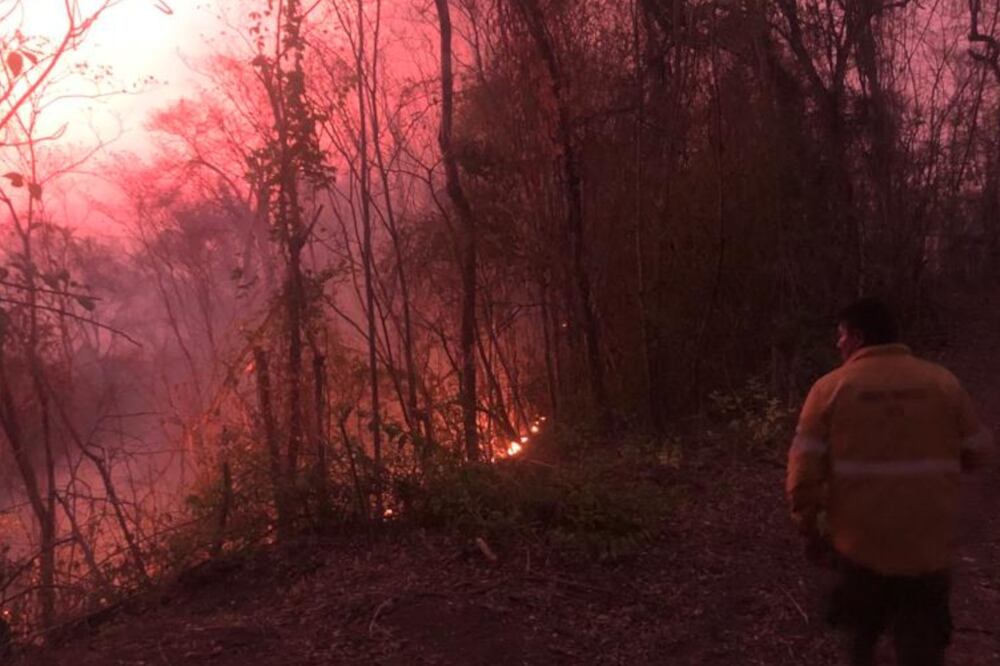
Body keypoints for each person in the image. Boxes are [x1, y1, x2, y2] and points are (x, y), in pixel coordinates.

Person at [786, 297, 993, 666]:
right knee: (922, 650)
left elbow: (803, 477)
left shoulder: (829, 390)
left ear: (859, 336)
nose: (838, 344)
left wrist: (809, 529)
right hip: (927, 547)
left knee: (859, 644)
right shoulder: (942, 383)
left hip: (858, 548)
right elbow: (980, 454)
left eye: (841, 335)